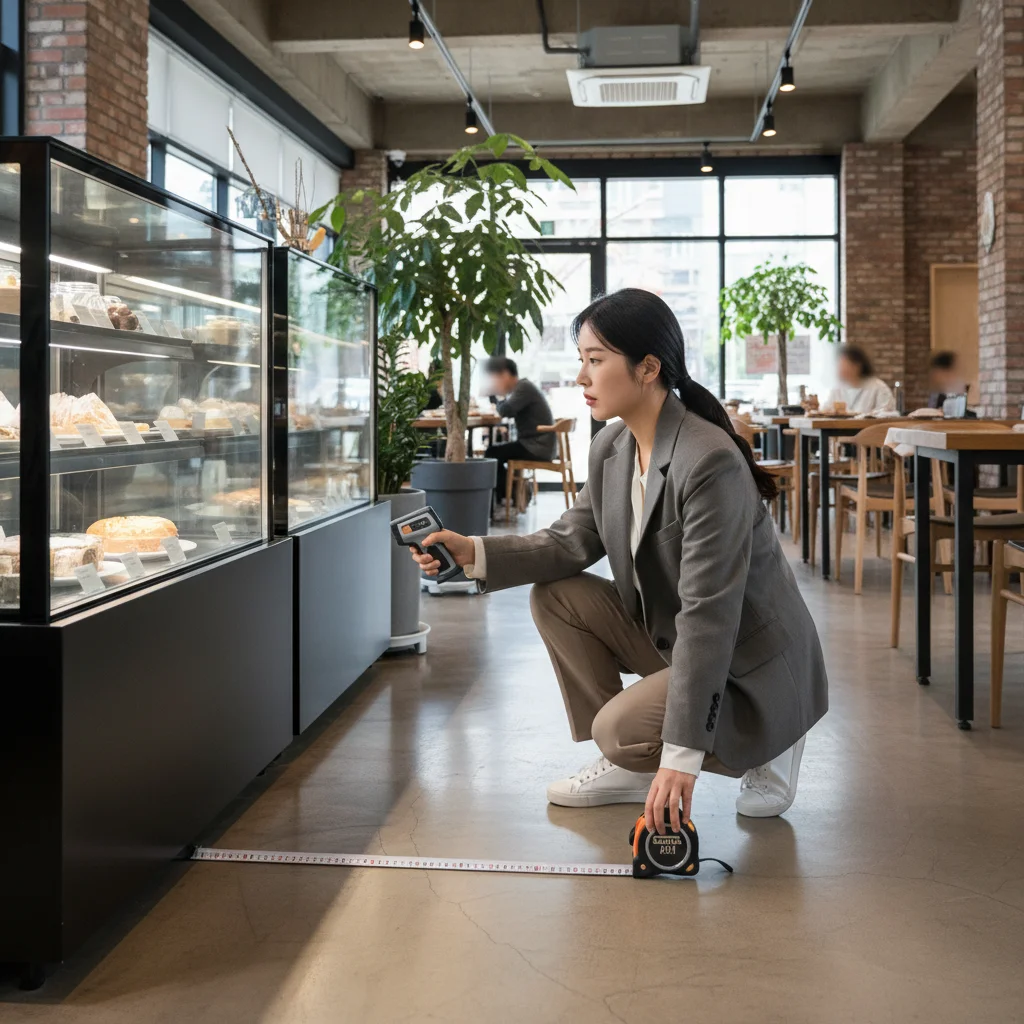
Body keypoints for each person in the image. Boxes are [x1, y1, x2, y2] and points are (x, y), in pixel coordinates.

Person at [411, 289, 829, 832]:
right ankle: (630, 763)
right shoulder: (612, 446)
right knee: (557, 596)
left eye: (596, 360)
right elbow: (569, 541)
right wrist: (475, 551)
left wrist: (679, 760)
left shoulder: (709, 460)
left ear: (648, 368)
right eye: (580, 360)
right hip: (679, 638)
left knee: (619, 728)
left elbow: (710, 614)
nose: (581, 377)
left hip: (748, 664)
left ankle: (771, 739)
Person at [483, 356, 556, 509]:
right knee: (496, 451)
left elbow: (505, 410)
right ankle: (509, 494)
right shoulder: (523, 387)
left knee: (492, 453)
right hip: (538, 444)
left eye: (497, 378)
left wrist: (495, 395)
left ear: (506, 375)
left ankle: (505, 497)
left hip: (537, 446)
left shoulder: (523, 387)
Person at [821, 345, 896, 415]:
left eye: (845, 364)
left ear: (858, 366)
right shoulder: (838, 389)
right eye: (840, 365)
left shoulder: (878, 387)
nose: (841, 369)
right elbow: (826, 410)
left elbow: (888, 413)